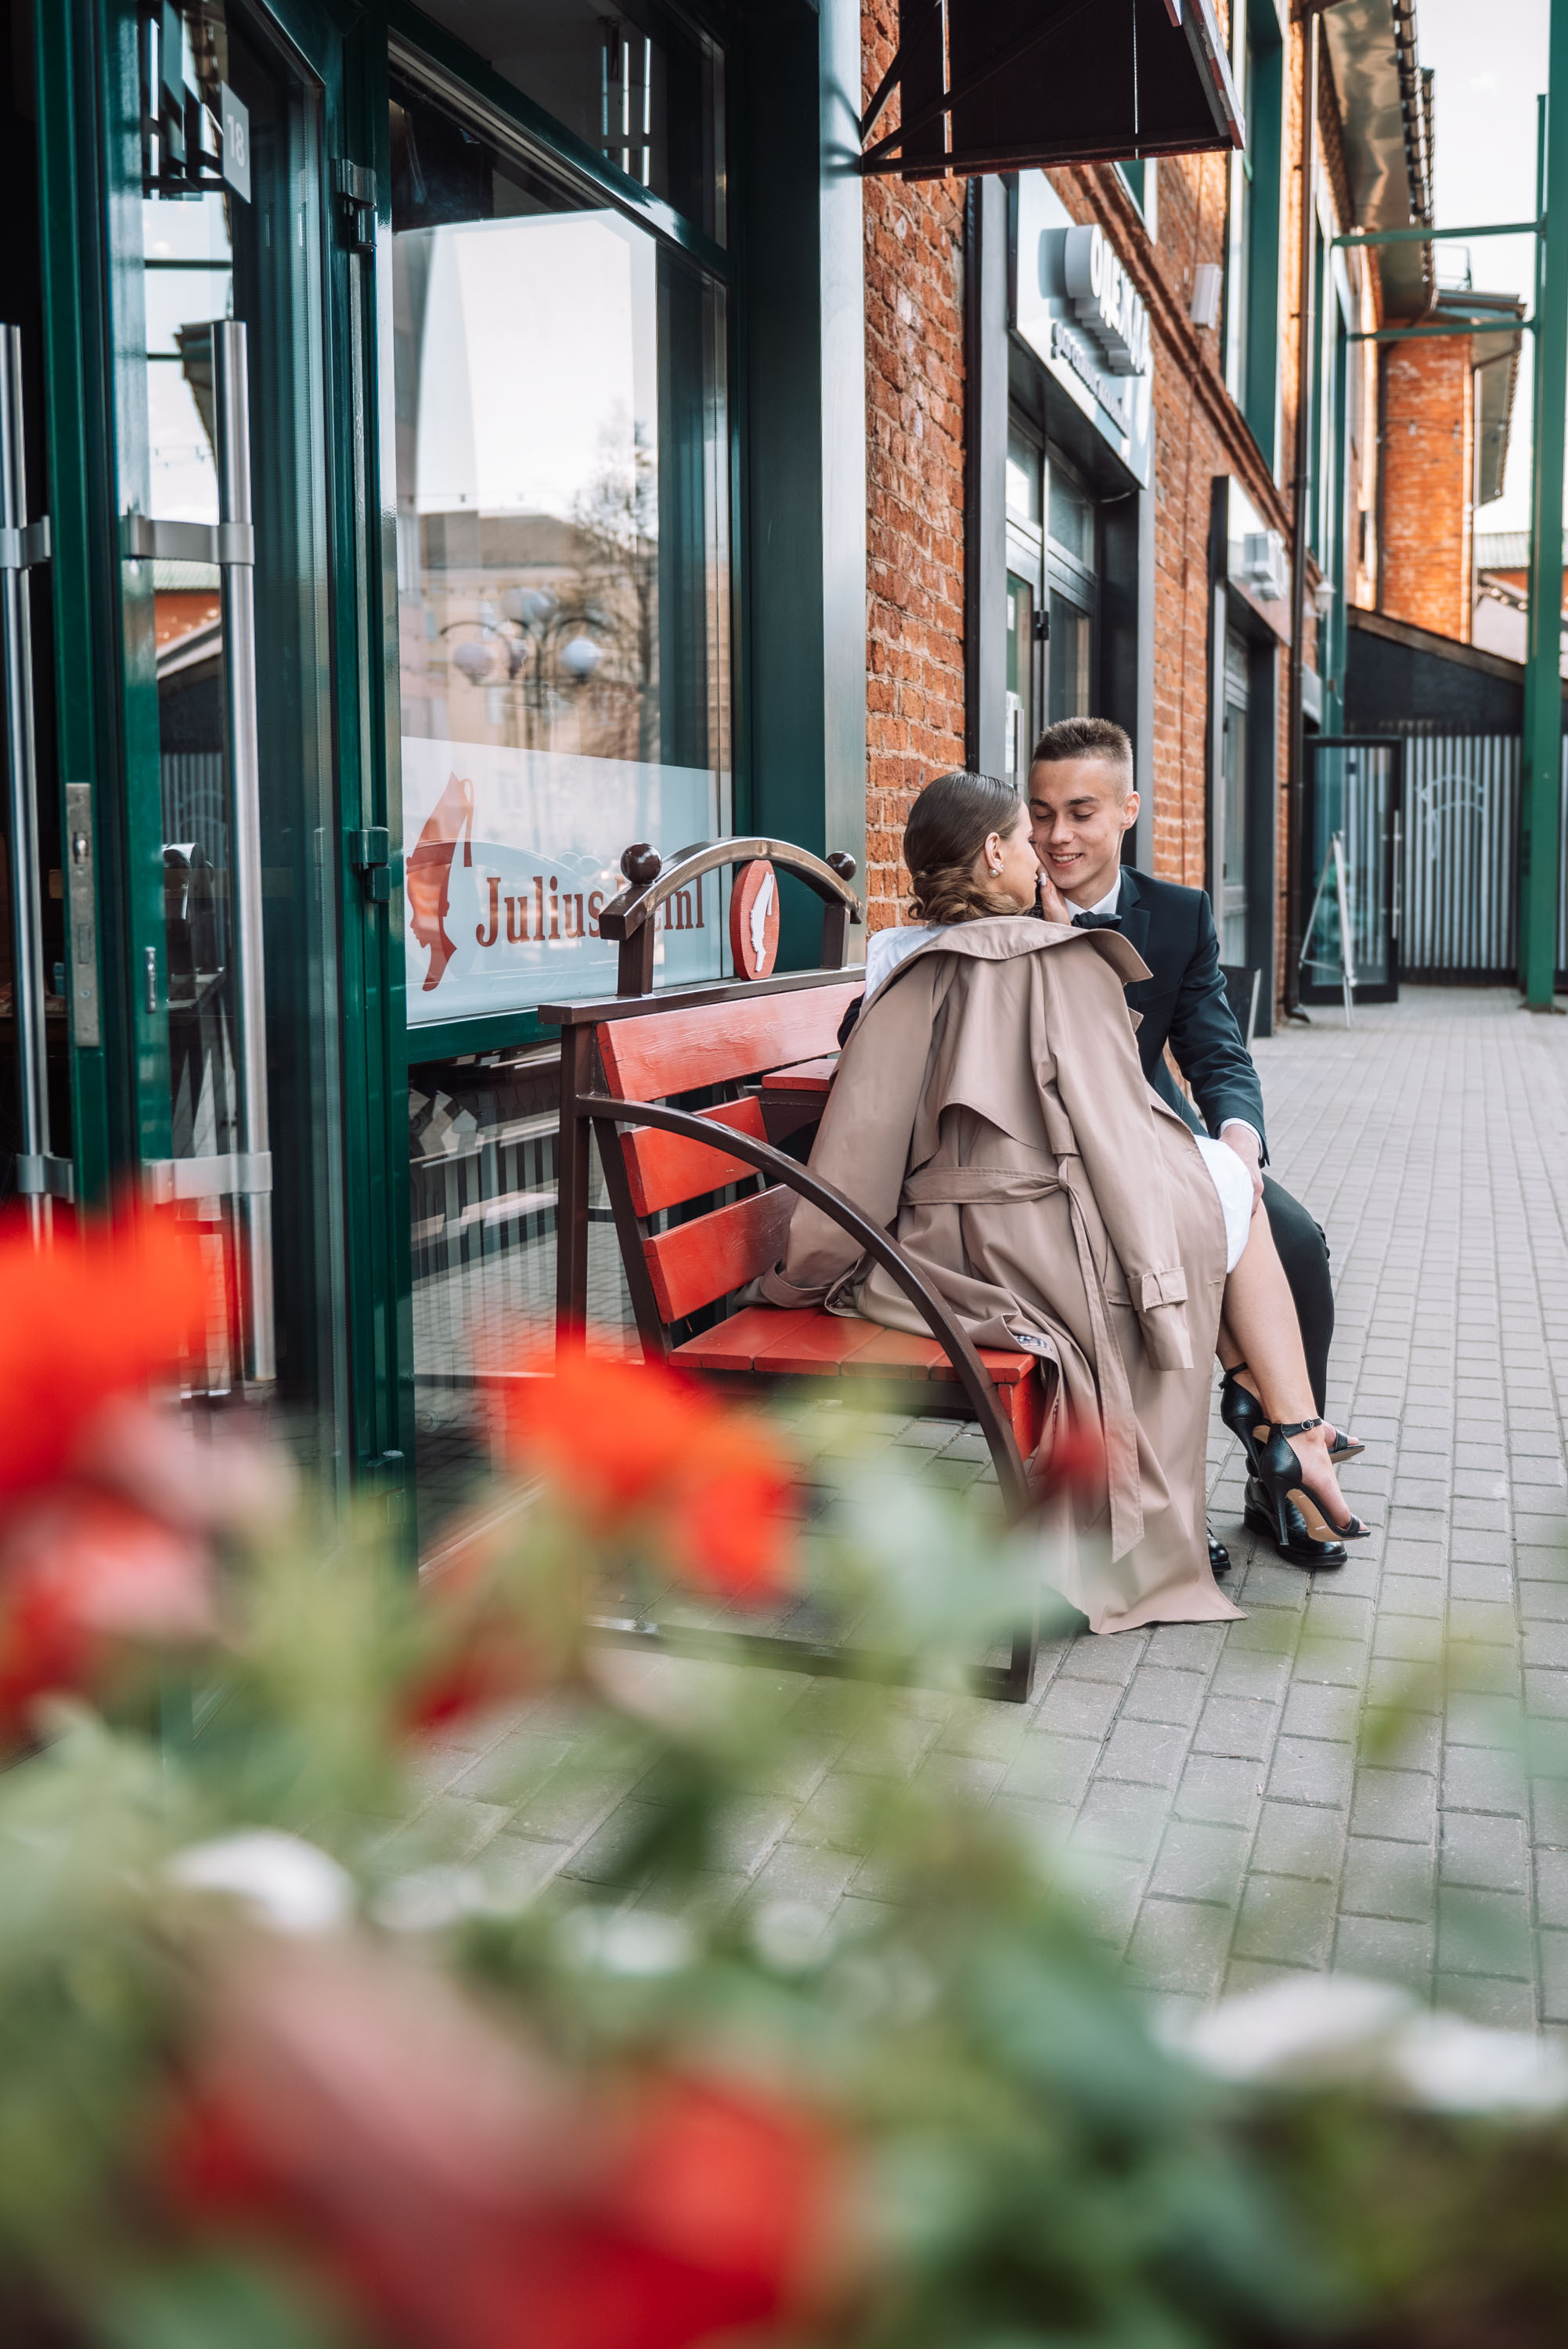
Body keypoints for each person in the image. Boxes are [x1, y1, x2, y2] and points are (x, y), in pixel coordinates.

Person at [762, 771, 1368, 1637]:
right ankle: (1294, 1432)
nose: (1047, 848)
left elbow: (856, 1158)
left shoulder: (905, 975)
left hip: (967, 1244)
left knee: (1235, 1202)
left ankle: (1285, 1429)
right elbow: (1119, 1132)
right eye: (1028, 828)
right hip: (1055, 1240)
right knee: (1225, 1209)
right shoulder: (1066, 960)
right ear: (995, 852)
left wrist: (800, 1272)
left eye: (1073, 818)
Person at [1026, 716, 1347, 1569]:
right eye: (1041, 812)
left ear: (1126, 810)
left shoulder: (1176, 914)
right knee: (1141, 1266)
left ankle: (1270, 1481)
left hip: (1162, 1141)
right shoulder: (1006, 905)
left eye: (1081, 811)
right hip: (1051, 1161)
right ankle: (1163, 1498)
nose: (1057, 835)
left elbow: (1213, 1049)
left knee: (1292, 1236)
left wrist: (1236, 1141)